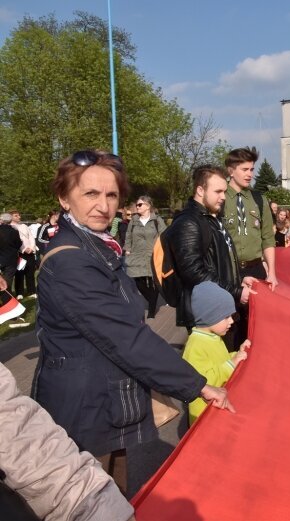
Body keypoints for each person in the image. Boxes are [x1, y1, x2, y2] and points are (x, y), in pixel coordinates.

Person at [34, 150, 234, 494]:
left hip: (101, 402)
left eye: (112, 195)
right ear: (64, 199)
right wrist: (197, 384)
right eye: (90, 194)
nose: (103, 205)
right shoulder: (72, 261)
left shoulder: (96, 248)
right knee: (92, 503)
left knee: (113, 498)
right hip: (83, 412)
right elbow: (125, 337)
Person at [1, 362, 134, 521]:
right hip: (84, 402)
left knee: (112, 457)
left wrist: (92, 506)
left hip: (93, 402)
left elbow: (14, 430)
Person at [167, 164, 258, 331]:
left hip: (221, 308)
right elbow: (194, 273)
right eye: (218, 192)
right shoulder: (188, 222)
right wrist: (236, 291)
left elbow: (219, 261)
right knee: (212, 357)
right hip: (208, 314)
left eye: (224, 191)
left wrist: (239, 279)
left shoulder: (211, 218)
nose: (223, 197)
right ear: (200, 190)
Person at [221, 147, 277, 348]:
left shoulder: (259, 199)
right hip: (229, 271)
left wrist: (272, 272)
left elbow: (268, 239)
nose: (250, 174)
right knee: (230, 324)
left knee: (257, 325)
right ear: (230, 170)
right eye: (244, 169)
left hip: (256, 269)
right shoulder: (220, 198)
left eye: (252, 169)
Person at [182, 282, 250, 425]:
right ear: (209, 317)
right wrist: (232, 363)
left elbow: (220, 360)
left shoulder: (212, 337)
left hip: (217, 407)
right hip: (204, 417)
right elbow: (203, 383)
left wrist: (237, 354)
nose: (231, 321)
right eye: (226, 317)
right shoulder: (195, 346)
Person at [125, 195, 166, 319]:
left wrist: (163, 251)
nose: (137, 207)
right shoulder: (133, 220)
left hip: (153, 255)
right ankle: (152, 300)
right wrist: (127, 249)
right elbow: (128, 235)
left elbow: (164, 236)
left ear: (148, 206)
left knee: (155, 281)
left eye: (140, 204)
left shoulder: (156, 220)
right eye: (137, 205)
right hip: (136, 255)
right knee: (138, 282)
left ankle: (152, 309)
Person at [9, 210, 37, 298]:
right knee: (19, 273)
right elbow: (15, 241)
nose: (19, 217)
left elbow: (31, 237)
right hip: (20, 253)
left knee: (30, 273)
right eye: (16, 216)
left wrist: (32, 248)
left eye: (19, 215)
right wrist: (24, 249)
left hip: (30, 252)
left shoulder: (24, 225)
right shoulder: (10, 227)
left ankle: (31, 291)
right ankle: (19, 292)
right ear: (11, 217)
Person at [0, 213, 21, 290]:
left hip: (1, 256)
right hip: (11, 258)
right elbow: (19, 244)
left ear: (1, 220)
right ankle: (6, 297)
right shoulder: (14, 231)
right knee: (8, 278)